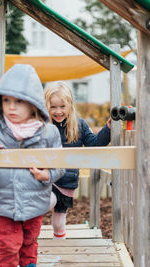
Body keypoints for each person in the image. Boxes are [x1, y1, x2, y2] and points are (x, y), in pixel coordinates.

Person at [0, 64, 64, 267]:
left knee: (29, 241)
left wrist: (47, 174)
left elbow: (61, 163)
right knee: (9, 243)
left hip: (35, 199)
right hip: (6, 200)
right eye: (6, 100)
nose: (11, 107)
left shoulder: (48, 133)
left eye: (19, 101)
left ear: (33, 104)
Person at [44, 81, 111, 240]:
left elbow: (94, 145)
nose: (58, 111)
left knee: (59, 222)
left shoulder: (78, 125)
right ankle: (26, 238)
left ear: (70, 106)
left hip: (67, 181)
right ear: (46, 106)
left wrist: (108, 129)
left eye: (62, 106)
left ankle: (59, 244)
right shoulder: (43, 126)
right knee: (47, 202)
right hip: (46, 178)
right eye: (53, 107)